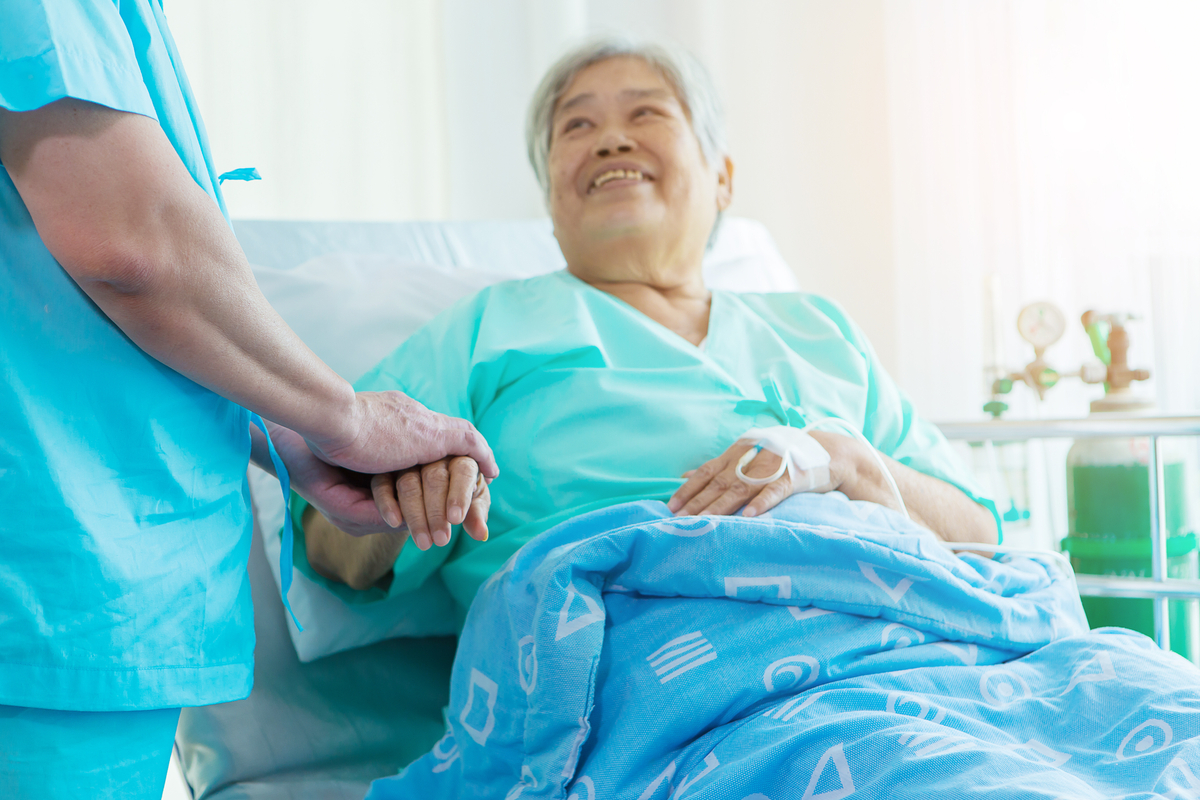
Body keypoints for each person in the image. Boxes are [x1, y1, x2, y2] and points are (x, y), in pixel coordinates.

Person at [298, 38, 1000, 625]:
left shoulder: (819, 331)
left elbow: (981, 539)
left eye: (647, 112)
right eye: (576, 127)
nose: (610, 139)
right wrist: (405, 494)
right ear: (550, 195)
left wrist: (845, 460)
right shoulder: (486, 331)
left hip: (908, 649)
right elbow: (333, 546)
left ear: (721, 178)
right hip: (637, 673)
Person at [0, 2, 495, 797]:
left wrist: (281, 429)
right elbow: (134, 244)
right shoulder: (490, 335)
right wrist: (344, 417)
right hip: (49, 589)